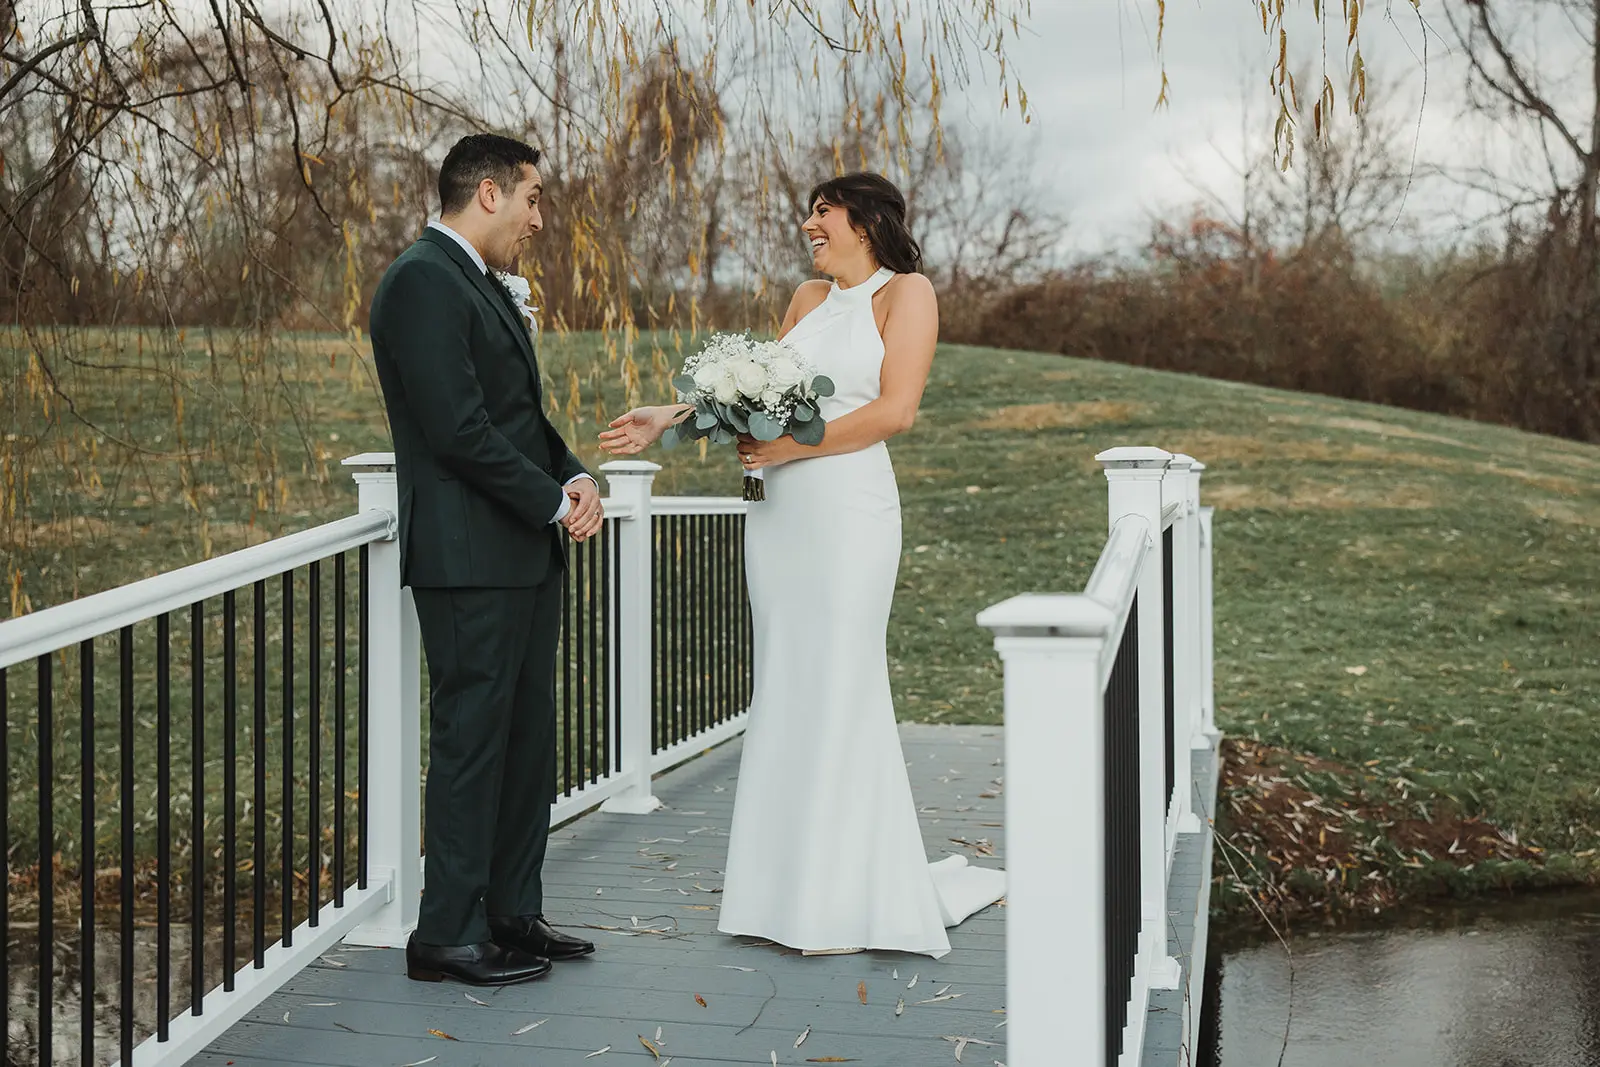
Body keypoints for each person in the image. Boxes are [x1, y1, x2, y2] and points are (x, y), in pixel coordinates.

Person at [598, 172, 1005, 958]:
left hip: (850, 514)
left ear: (866, 220)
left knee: (842, 680)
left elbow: (896, 409)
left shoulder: (905, 293)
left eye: (824, 212)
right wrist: (673, 415)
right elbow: (758, 400)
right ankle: (778, 893)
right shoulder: (805, 302)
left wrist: (786, 448)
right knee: (787, 682)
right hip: (780, 520)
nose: (810, 224)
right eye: (810, 214)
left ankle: (845, 895)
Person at [368, 133, 603, 986]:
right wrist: (546, 500)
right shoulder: (422, 280)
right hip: (469, 555)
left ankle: (511, 911)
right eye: (533, 198)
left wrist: (573, 475)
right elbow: (457, 429)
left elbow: (516, 416)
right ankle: (447, 934)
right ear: (491, 194)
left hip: (520, 552)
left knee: (525, 738)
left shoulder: (476, 283)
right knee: (472, 741)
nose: (540, 217)